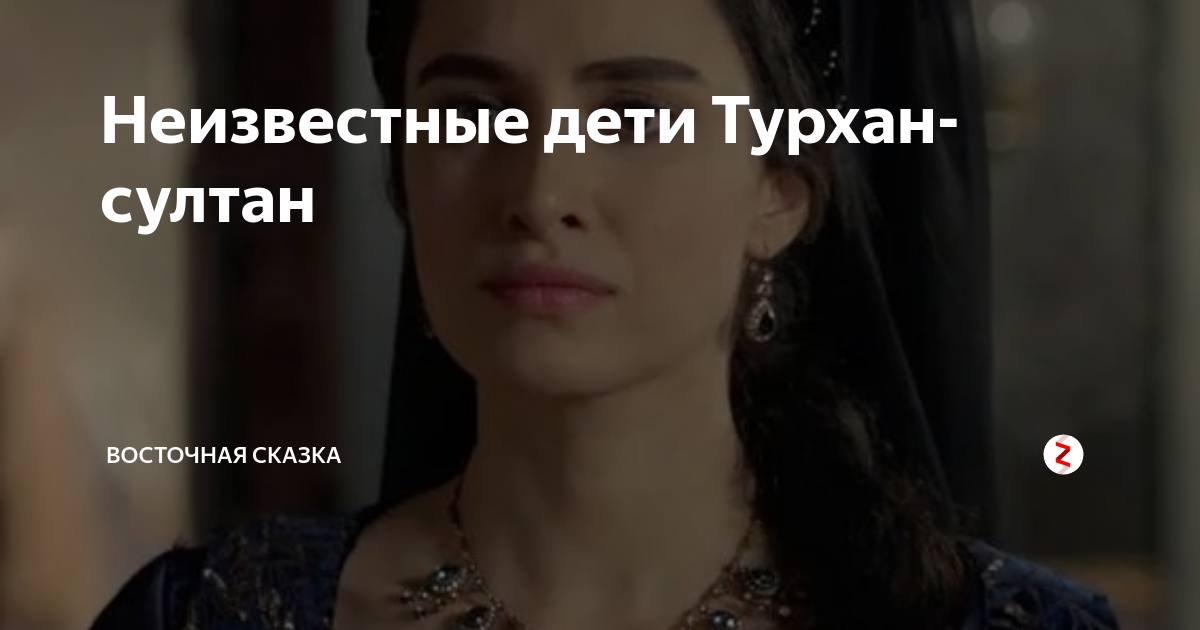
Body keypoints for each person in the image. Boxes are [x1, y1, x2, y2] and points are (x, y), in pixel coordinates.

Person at [90, 0, 1119, 628]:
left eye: (635, 114)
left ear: (777, 193)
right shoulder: (206, 615)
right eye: (469, 113)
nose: (541, 190)